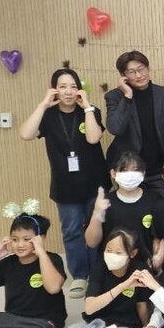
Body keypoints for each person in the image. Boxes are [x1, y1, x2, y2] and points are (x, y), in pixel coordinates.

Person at [19, 68, 110, 298]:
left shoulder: (91, 111)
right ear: (54, 89)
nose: (68, 91)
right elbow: (26, 134)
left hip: (95, 183)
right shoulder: (48, 115)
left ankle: (97, 273)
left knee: (96, 228)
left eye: (73, 86)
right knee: (71, 231)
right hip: (65, 186)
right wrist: (43, 104)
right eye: (62, 86)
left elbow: (93, 137)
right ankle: (79, 275)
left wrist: (86, 106)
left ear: (79, 89)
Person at [24, 229, 150, 328]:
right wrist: (122, 286)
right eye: (108, 250)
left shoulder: (140, 270)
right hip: (93, 325)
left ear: (132, 253)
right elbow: (90, 308)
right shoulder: (100, 267)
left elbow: (142, 306)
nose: (112, 255)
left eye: (118, 252)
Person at [105, 51, 164, 193]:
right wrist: (127, 96)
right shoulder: (114, 96)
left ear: (148, 68)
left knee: (161, 205)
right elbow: (115, 128)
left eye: (141, 69)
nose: (138, 75)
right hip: (128, 170)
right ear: (123, 76)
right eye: (132, 72)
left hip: (159, 169)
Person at [85, 151, 159, 268]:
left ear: (143, 173)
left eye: (135, 170)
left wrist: (157, 257)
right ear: (113, 173)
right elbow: (91, 242)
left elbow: (160, 236)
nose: (130, 175)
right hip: (110, 268)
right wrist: (96, 214)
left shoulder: (154, 200)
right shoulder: (103, 202)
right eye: (124, 170)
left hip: (146, 267)